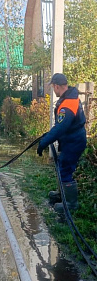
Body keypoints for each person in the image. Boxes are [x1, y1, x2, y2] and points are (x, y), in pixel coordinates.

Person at [36, 73, 87, 214]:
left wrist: (44, 142)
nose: (53, 90)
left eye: (53, 87)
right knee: (62, 166)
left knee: (65, 169)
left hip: (74, 142)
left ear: (57, 86)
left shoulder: (68, 104)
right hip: (72, 139)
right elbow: (61, 126)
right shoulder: (68, 98)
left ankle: (70, 204)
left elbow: (61, 127)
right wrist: (48, 137)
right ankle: (62, 195)